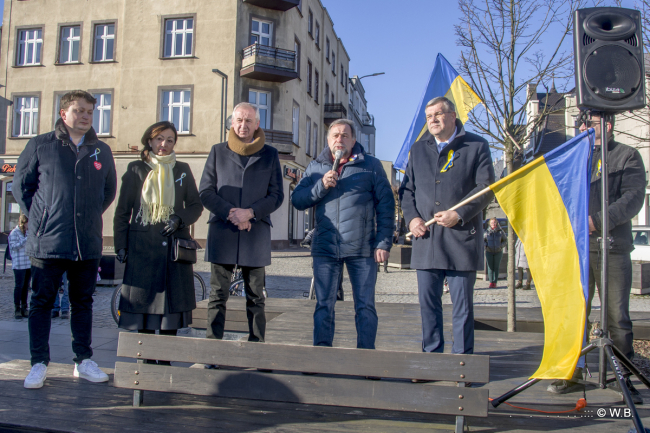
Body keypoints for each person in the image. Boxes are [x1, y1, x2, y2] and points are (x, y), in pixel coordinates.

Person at [13, 90, 117, 389]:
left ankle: (82, 360)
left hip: (86, 241)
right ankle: (38, 363)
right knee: (41, 302)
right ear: (64, 114)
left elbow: (107, 192)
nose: (85, 116)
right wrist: (42, 217)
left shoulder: (101, 150)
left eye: (89, 111)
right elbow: (23, 187)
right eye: (78, 110)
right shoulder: (41, 145)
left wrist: (86, 216)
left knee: (82, 302)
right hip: (49, 240)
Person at [547, 112, 646, 404]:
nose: (581, 127)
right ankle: (571, 373)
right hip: (576, 249)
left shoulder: (627, 156)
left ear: (607, 125)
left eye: (588, 123)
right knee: (575, 312)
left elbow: (633, 198)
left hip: (612, 248)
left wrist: (596, 221)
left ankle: (621, 378)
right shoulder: (575, 158)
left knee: (617, 315)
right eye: (580, 123)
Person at [399, 96, 495, 357]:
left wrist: (459, 214)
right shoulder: (418, 149)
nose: (433, 120)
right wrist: (413, 218)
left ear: (453, 116)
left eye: (438, 114)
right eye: (429, 116)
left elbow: (485, 188)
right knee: (428, 305)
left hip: (460, 239)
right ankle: (432, 358)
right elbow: (407, 190)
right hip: (426, 239)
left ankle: (462, 362)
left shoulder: (477, 145)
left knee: (462, 308)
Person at [292, 119, 395, 350]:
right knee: (324, 305)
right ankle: (323, 355)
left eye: (345, 135)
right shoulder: (316, 167)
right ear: (328, 140)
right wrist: (320, 186)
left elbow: (386, 207)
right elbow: (297, 200)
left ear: (354, 140)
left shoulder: (371, 166)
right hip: (326, 248)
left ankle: (366, 358)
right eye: (335, 135)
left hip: (362, 248)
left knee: (365, 306)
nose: (339, 139)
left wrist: (384, 242)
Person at [113, 121, 203, 364]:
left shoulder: (182, 169)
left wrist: (178, 219)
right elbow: (122, 212)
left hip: (173, 251)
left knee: (169, 313)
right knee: (145, 309)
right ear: (150, 140)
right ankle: (146, 362)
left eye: (170, 140)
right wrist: (120, 245)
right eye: (159, 139)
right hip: (142, 250)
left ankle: (165, 361)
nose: (164, 144)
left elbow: (196, 205)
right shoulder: (135, 169)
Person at [199, 102, 284, 348]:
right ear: (232, 122)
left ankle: (256, 345)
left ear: (257, 124)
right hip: (223, 231)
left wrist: (250, 213)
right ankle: (212, 347)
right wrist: (231, 213)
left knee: (256, 296)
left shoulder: (270, 154)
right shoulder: (217, 151)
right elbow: (206, 192)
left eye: (248, 121)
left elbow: (276, 195)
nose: (243, 125)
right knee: (217, 296)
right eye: (239, 120)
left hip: (254, 232)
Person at [9, 213, 30, 319]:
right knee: (19, 286)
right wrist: (25, 240)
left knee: (26, 287)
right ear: (24, 222)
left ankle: (24, 307)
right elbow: (13, 247)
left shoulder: (28, 232)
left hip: (28, 263)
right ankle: (17, 308)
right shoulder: (14, 233)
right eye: (28, 223)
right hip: (19, 264)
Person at [484, 217, 506, 288]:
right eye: (492, 223)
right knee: (490, 267)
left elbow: (505, 240)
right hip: (489, 251)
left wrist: (500, 246)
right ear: (489, 224)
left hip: (498, 252)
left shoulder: (500, 231)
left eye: (494, 222)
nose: (493, 224)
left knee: (496, 267)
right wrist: (486, 245)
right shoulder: (486, 232)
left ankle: (495, 282)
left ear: (497, 223)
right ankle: (491, 282)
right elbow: (483, 240)